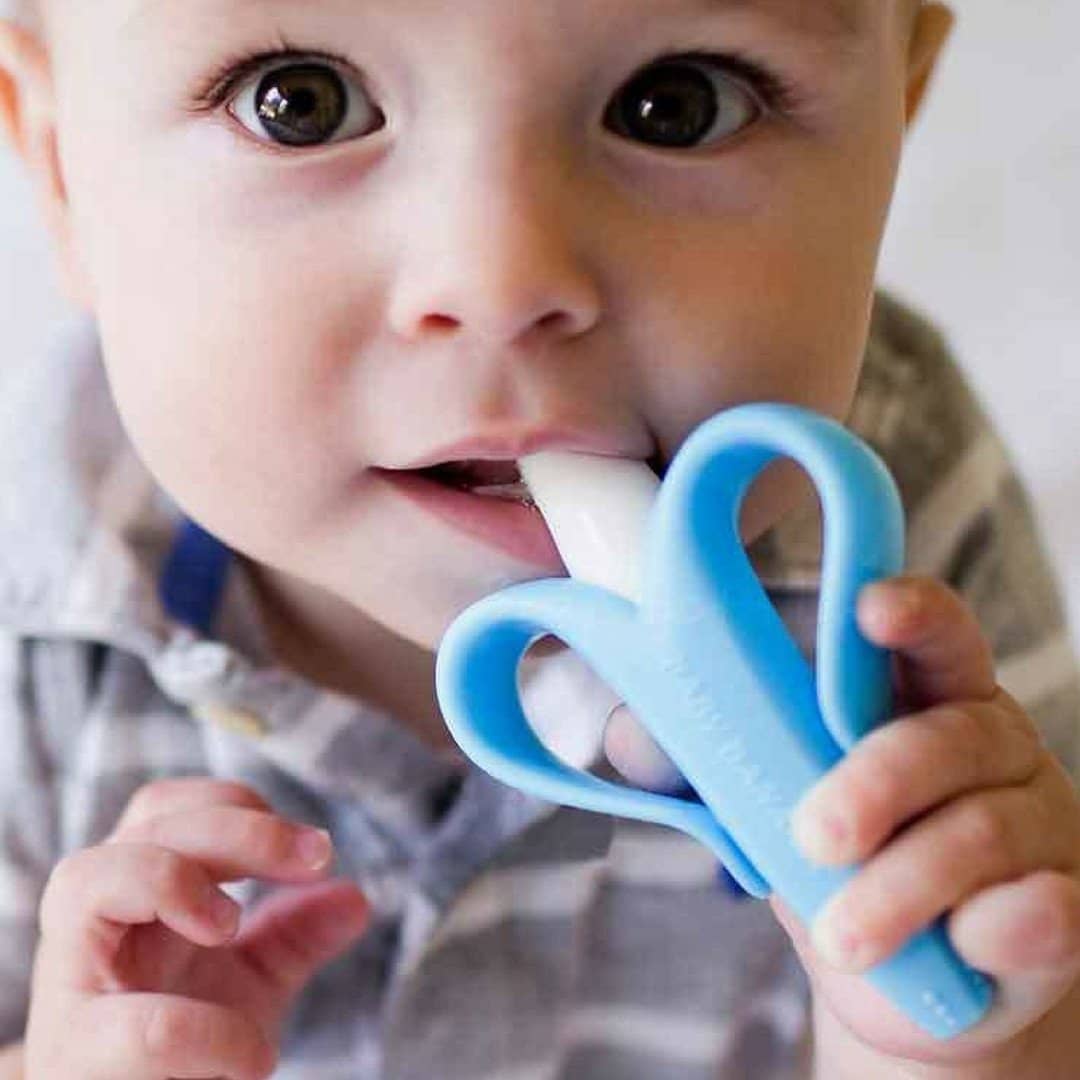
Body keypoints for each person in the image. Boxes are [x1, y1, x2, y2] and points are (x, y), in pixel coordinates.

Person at [0, 0, 1078, 1075]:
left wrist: (954, 1033)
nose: (502, 280)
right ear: (57, 165)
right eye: (301, 107)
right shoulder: (30, 585)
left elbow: (1031, 975)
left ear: (897, 117)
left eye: (677, 105)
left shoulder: (893, 530)